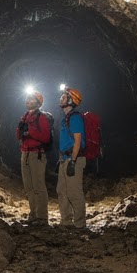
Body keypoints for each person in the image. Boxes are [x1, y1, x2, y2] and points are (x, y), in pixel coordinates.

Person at [16, 90, 52, 225]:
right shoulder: (24, 117)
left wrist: (30, 131)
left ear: (38, 103)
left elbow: (46, 137)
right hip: (25, 153)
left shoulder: (41, 117)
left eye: (31, 99)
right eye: (27, 98)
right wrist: (20, 130)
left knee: (38, 186)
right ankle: (33, 214)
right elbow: (19, 137)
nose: (27, 101)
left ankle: (42, 217)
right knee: (29, 187)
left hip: (37, 154)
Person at [57, 87, 86, 229]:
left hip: (74, 159)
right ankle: (66, 221)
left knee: (74, 192)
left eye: (64, 96)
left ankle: (80, 225)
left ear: (71, 101)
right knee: (61, 191)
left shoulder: (75, 117)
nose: (61, 98)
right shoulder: (65, 119)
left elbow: (78, 140)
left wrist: (73, 162)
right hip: (65, 159)